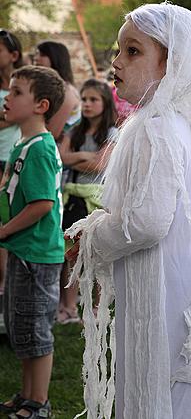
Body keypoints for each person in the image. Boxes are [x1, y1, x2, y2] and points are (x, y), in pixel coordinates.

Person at [65, 2, 191, 419]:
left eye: (133, 51)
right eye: (118, 50)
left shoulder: (157, 125)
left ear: (170, 64)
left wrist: (91, 237)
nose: (116, 62)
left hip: (169, 293)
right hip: (187, 286)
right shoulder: (180, 122)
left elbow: (145, 223)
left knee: (165, 396)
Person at [0, 65, 65, 418]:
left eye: (16, 92)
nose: (7, 98)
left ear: (40, 104)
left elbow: (43, 204)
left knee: (36, 330)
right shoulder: (25, 142)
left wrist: (6, 229)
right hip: (25, 251)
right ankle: (27, 395)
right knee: (21, 327)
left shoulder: (39, 147)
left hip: (37, 254)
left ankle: (39, 403)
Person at [58, 79, 118, 323]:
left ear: (105, 103)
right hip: (74, 197)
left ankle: (97, 307)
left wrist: (79, 159)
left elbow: (101, 164)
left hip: (99, 199)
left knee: (99, 254)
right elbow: (61, 157)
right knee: (71, 252)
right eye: (84, 99)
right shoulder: (75, 131)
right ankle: (69, 306)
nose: (87, 104)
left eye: (94, 99)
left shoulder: (112, 132)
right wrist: (84, 155)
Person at [0, 29, 23, 295]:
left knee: (10, 222)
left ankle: (8, 284)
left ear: (13, 55)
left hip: (16, 160)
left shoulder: (24, 84)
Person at [34, 41, 80, 140]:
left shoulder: (66, 93)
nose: (36, 58)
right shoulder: (46, 88)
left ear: (56, 58)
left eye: (42, 55)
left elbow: (52, 133)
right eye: (36, 54)